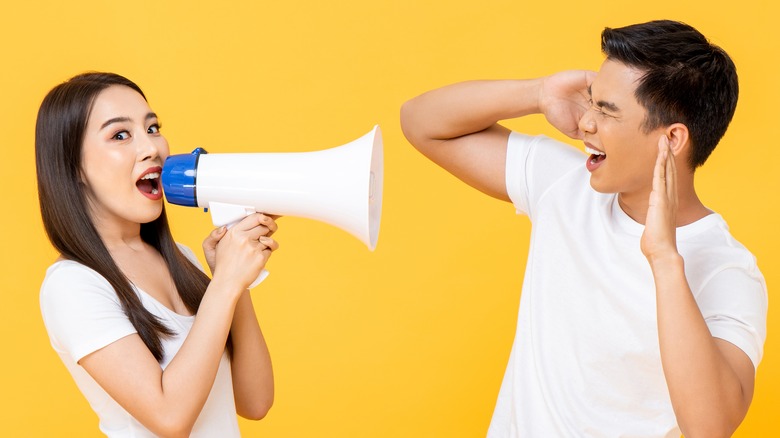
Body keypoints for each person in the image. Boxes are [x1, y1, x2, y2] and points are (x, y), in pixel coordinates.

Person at [400, 20, 767, 437]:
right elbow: (420, 122)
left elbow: (710, 427)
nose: (586, 123)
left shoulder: (728, 270)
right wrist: (537, 94)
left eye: (607, 112)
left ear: (672, 139)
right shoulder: (565, 185)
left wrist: (665, 259)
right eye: (592, 102)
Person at [36, 72, 278, 437]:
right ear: (74, 167)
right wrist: (225, 283)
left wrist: (235, 281)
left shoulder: (181, 260)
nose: (151, 148)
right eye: (120, 135)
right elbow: (170, 418)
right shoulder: (73, 284)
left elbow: (255, 401)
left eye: (152, 128)